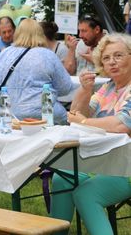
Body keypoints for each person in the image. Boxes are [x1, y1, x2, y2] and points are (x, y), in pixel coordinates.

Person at [50, 33, 131, 234]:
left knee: (86, 194)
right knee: (63, 178)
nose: (112, 62)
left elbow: (122, 126)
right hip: (100, 161)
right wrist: (85, 91)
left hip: (126, 168)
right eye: (106, 58)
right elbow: (75, 114)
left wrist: (84, 121)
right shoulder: (108, 87)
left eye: (118, 56)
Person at [0, 19, 73, 123]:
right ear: (40, 34)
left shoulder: (4, 54)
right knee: (67, 117)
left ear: (17, 33)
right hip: (41, 114)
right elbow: (65, 88)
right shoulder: (48, 55)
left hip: (6, 113)